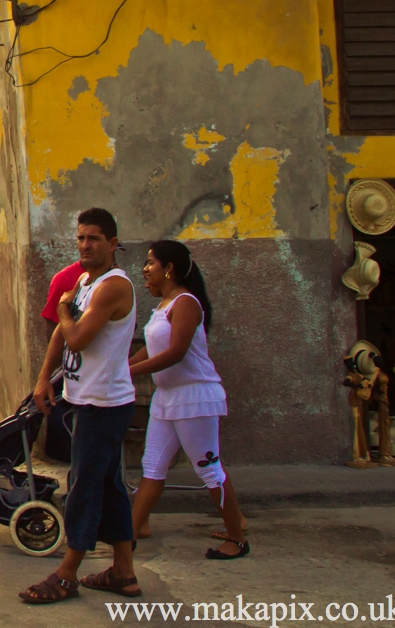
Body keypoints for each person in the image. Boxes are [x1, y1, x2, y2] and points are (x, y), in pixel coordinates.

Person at [21, 207, 139, 605]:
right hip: (85, 399)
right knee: (110, 487)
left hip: (104, 404)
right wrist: (43, 378)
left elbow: (78, 338)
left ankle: (66, 574)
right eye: (81, 237)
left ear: (113, 243)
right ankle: (124, 572)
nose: (85, 245)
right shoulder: (87, 280)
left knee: (84, 488)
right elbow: (62, 332)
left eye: (94, 238)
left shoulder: (113, 286)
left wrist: (63, 310)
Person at [129, 240, 249, 560]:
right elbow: (153, 349)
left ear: (169, 269)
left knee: (209, 470)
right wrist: (122, 368)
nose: (145, 269)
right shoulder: (162, 305)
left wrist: (128, 373)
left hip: (194, 398)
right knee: (152, 467)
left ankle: (236, 538)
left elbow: (175, 353)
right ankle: (132, 531)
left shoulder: (186, 302)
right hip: (166, 398)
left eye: (151, 263)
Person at [41, 260, 87, 340]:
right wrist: (63, 304)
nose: (85, 246)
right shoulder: (63, 280)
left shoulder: (114, 279)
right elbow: (53, 326)